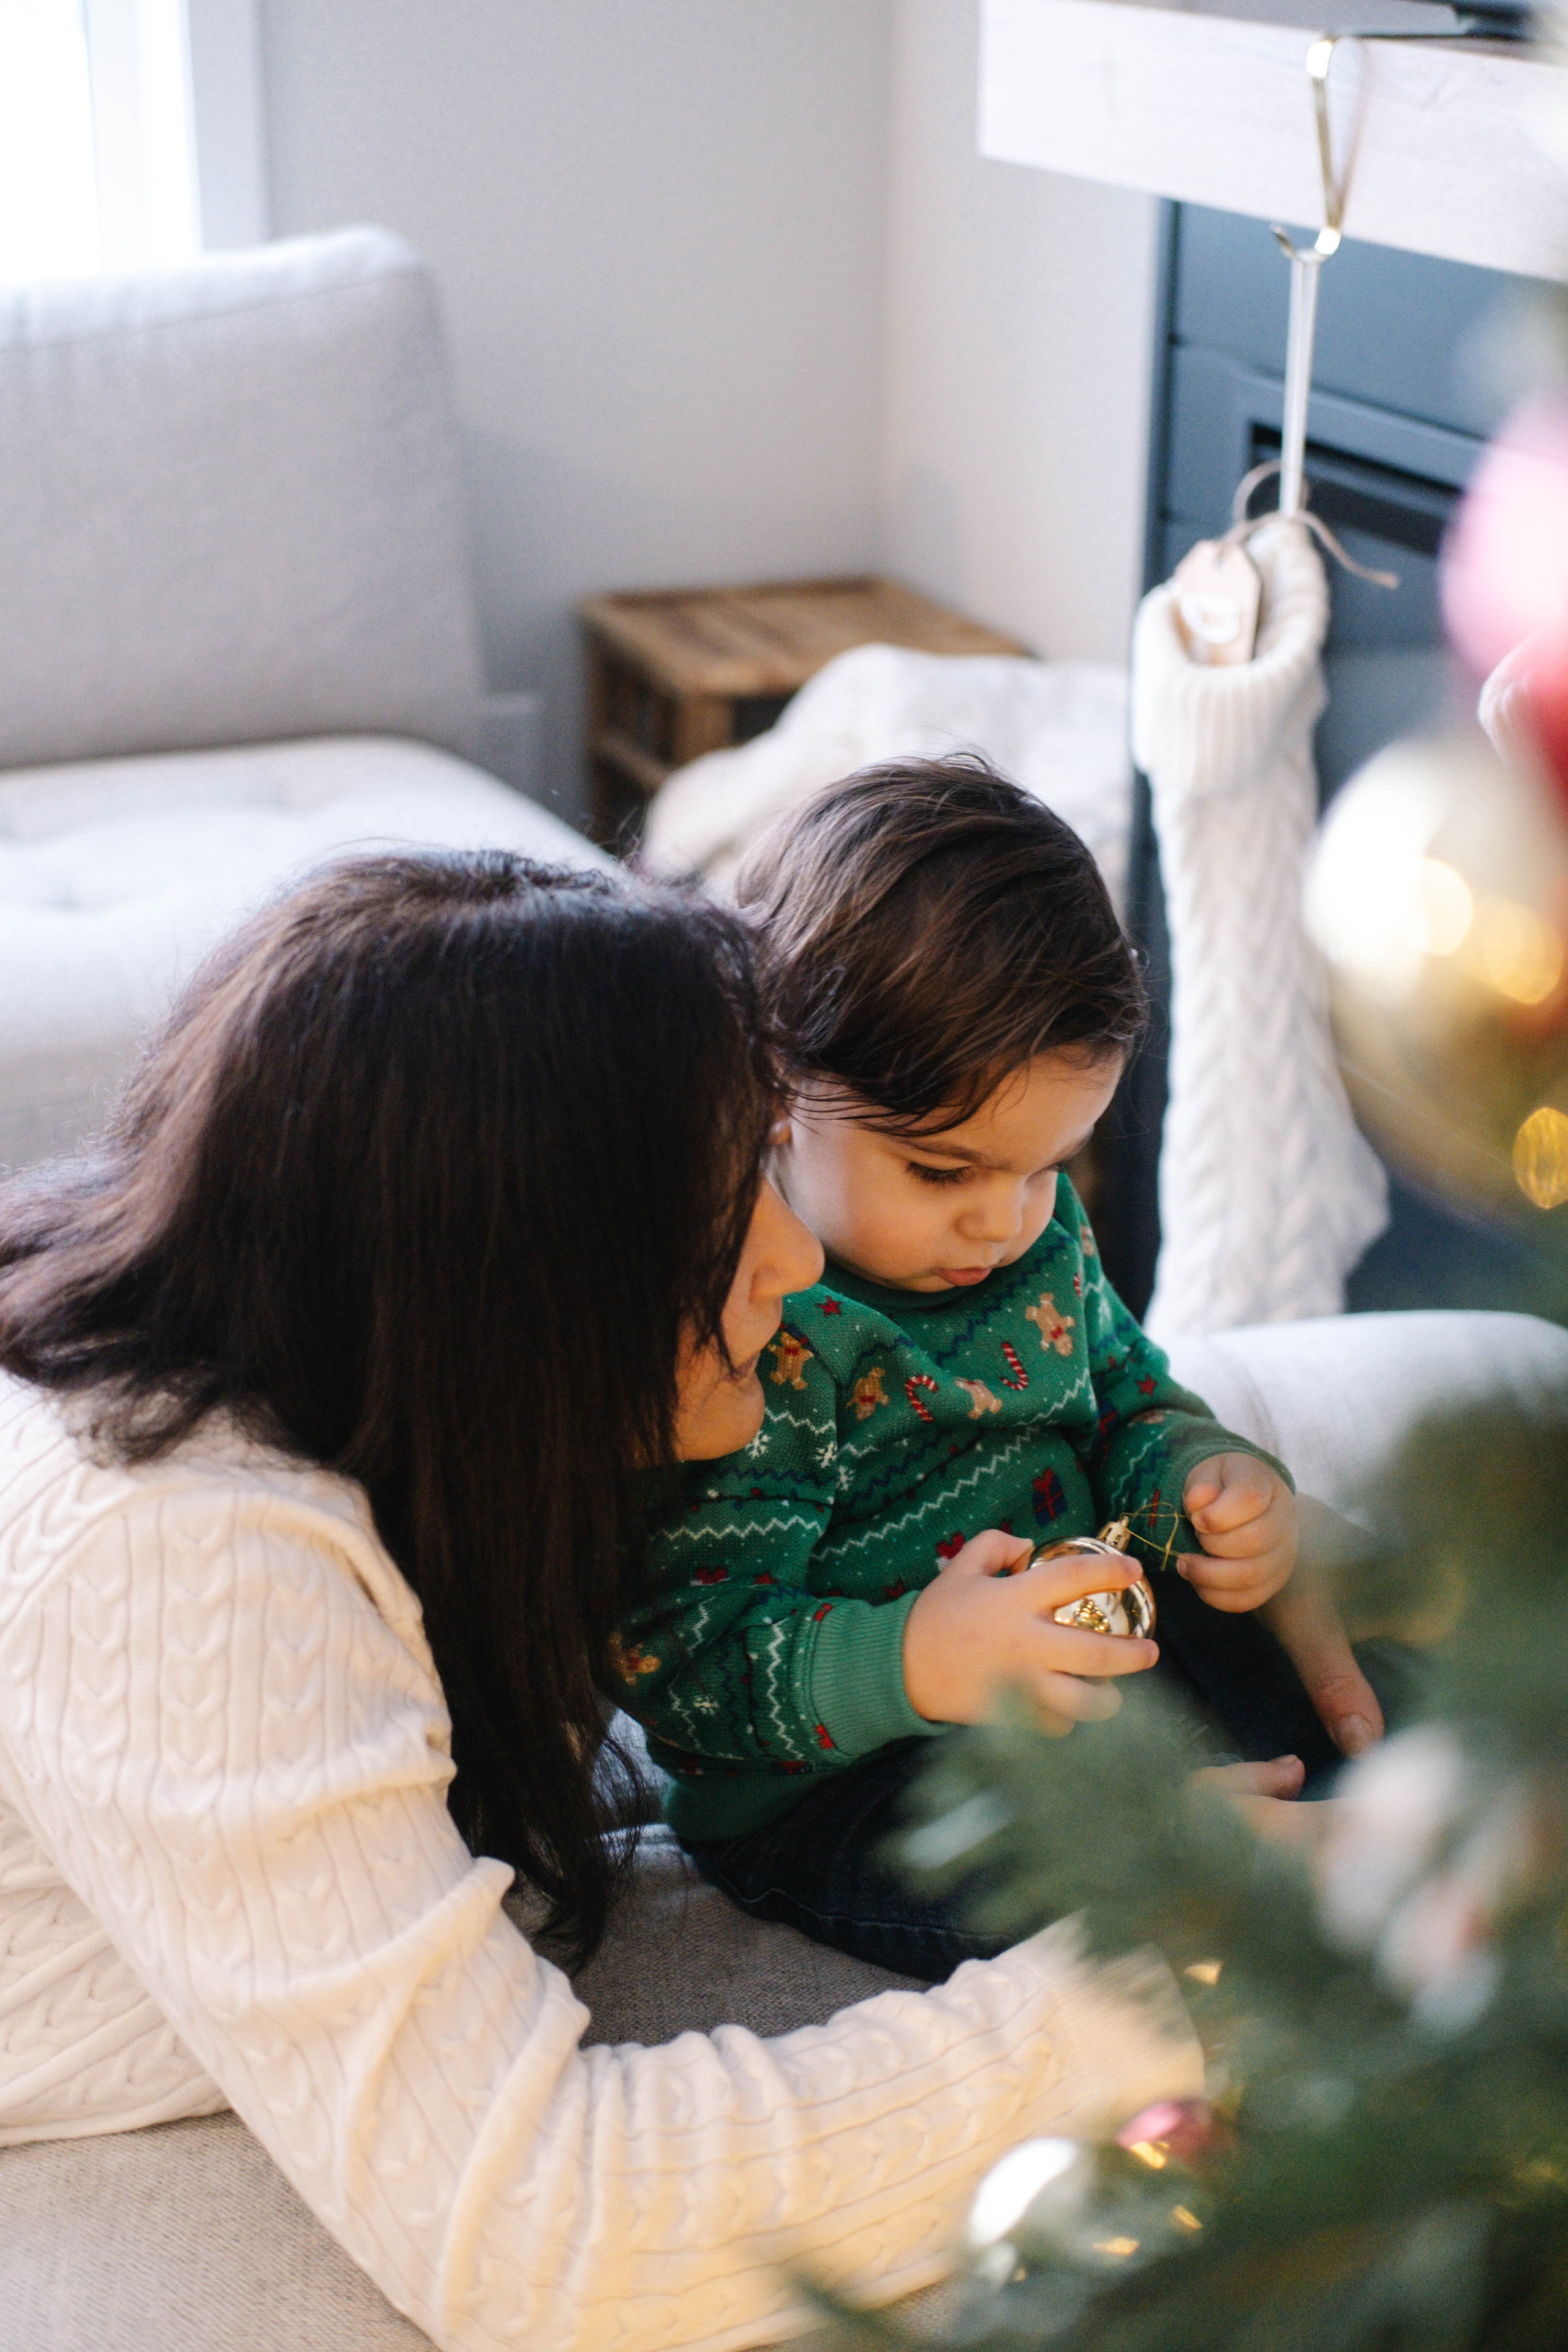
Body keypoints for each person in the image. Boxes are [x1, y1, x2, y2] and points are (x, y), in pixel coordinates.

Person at [0, 850, 1205, 2352]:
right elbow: (540, 2238)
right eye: (721, 1204)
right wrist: (1178, 1981)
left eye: (771, 1159)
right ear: (523, 1267)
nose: (797, 1254)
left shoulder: (413, 1405)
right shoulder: (196, 1566)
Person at [616, 762, 1386, 1980]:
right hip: (847, 1778)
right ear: (774, 1091)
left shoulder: (1031, 1235)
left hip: (1086, 1629)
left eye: (1049, 1167)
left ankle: (1405, 1821)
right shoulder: (750, 1323)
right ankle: (1276, 1882)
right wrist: (922, 1653)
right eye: (943, 1173)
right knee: (1090, 1874)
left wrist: (1196, 1477)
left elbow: (1125, 1397)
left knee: (1343, 1654)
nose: (1003, 1223)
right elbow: (694, 1672)